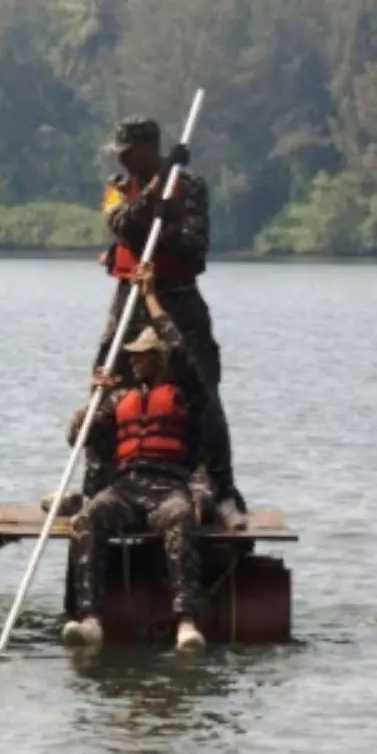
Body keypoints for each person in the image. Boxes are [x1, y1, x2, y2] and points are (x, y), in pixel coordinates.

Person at [96, 117, 244, 527]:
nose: (123, 160)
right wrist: (153, 197)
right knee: (107, 385)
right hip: (129, 300)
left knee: (204, 391)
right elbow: (123, 226)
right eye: (119, 153)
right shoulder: (116, 188)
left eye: (129, 152)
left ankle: (222, 489)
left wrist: (165, 225)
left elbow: (195, 248)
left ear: (148, 148)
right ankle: (104, 484)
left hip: (177, 296)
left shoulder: (190, 185)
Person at [63, 262, 208, 651]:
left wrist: (150, 298)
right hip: (127, 487)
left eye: (141, 355)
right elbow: (78, 437)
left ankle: (187, 623)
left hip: (168, 484)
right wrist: (92, 399)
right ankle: (90, 618)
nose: (133, 361)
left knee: (180, 517)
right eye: (132, 355)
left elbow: (180, 349)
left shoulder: (183, 392)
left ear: (157, 358)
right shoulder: (119, 398)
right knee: (91, 516)